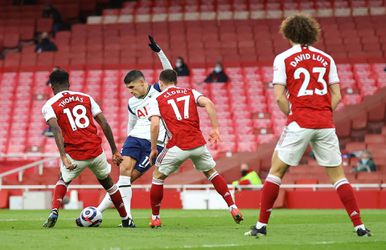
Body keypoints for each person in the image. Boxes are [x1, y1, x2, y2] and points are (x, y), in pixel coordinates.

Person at [245, 13, 371, 238]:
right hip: (324, 122)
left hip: (300, 120)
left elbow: (280, 98)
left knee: (276, 171)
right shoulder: (326, 58)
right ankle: (360, 227)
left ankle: (261, 226)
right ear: (312, 33)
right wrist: (322, 111)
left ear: (288, 33)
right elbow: (337, 95)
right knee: (338, 176)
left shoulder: (283, 58)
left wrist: (294, 114)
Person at [147, 69, 243, 228]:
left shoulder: (156, 99)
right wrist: (215, 128)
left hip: (176, 145)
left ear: (160, 83)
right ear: (176, 82)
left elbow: (155, 124)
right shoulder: (190, 92)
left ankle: (155, 217)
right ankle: (232, 207)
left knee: (158, 177)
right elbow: (209, 103)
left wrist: (153, 149)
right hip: (198, 144)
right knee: (212, 173)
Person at [41, 69, 133, 228]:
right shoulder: (86, 97)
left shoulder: (49, 105)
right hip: (96, 151)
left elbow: (55, 130)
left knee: (63, 180)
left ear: (52, 87)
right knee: (109, 184)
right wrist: (115, 150)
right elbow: (104, 123)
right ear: (68, 84)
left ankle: (54, 210)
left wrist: (63, 156)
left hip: (75, 154)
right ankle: (126, 219)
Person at [96, 36, 171, 225]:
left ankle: (97, 211)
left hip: (155, 143)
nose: (130, 91)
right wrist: (124, 145)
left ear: (142, 82)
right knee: (123, 175)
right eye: (128, 88)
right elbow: (131, 124)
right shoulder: (132, 102)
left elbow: (169, 72)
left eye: (132, 87)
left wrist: (159, 52)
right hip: (134, 139)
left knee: (128, 180)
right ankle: (127, 218)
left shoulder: (158, 90)